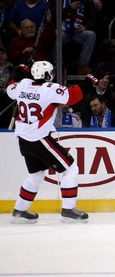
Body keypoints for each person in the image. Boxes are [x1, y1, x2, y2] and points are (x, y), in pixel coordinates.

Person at [6, 60, 88, 223]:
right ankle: (68, 209)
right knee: (71, 168)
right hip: (39, 139)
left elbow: (10, 89)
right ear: (47, 75)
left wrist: (16, 76)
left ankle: (20, 211)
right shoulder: (48, 90)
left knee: (35, 174)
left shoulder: (22, 85)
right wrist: (90, 81)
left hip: (23, 140)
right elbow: (72, 96)